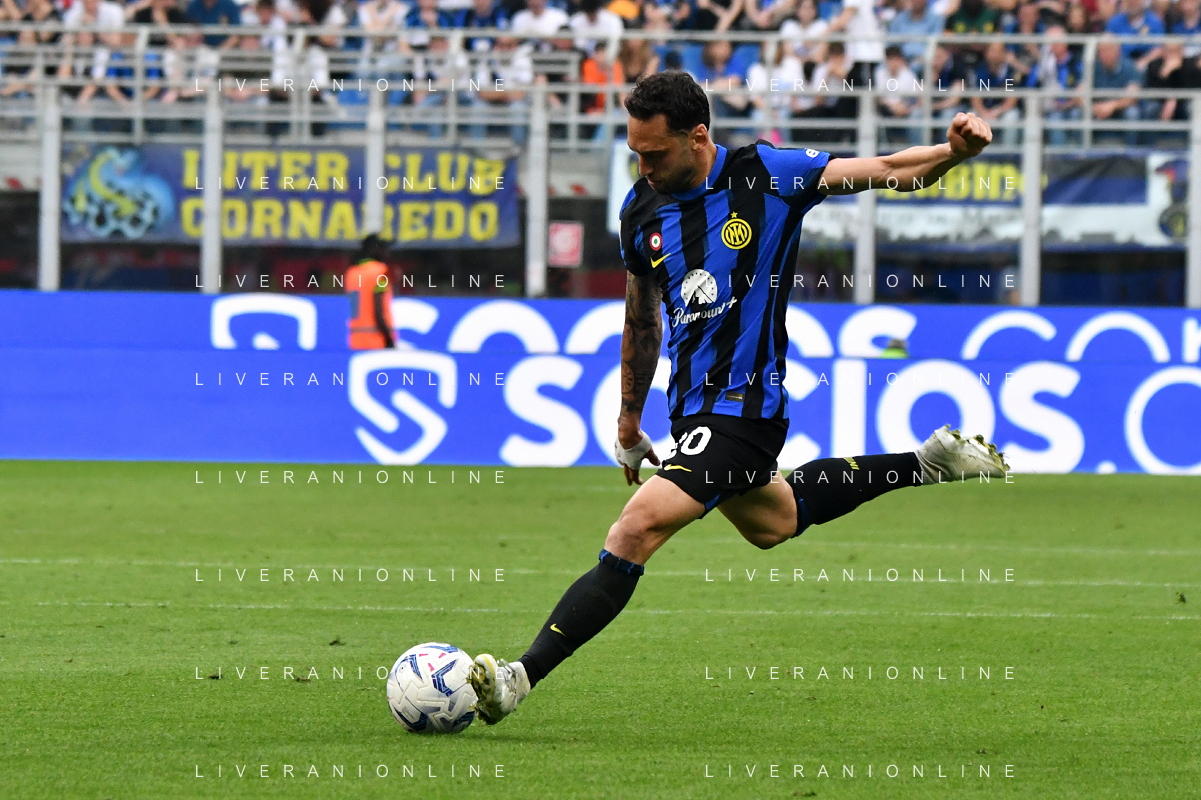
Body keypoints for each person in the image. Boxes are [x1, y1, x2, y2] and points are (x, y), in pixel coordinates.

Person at [466, 70, 1009, 725]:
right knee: (774, 522)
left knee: (634, 529)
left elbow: (888, 169)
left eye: (654, 153)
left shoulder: (769, 175)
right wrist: (630, 419)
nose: (643, 167)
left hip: (746, 410)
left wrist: (953, 153)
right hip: (691, 412)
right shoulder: (641, 210)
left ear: (698, 137)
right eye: (634, 152)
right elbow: (641, 318)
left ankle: (520, 677)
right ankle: (924, 464)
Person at [346, 235, 396, 350]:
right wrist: (389, 339)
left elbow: (354, 309)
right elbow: (378, 311)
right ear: (373, 249)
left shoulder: (352, 273)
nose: (386, 251)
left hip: (356, 340)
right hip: (378, 340)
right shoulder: (380, 272)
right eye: (383, 247)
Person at [1104, 0, 1164, 67]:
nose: (1132, 3)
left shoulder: (1155, 22)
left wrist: (1145, 61)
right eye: (1129, 1)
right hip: (1120, 66)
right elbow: (1107, 46)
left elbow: (1159, 48)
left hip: (1148, 65)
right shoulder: (1114, 22)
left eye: (1135, 1)